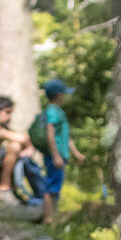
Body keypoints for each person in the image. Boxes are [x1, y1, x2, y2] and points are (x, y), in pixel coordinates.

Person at [38, 78, 86, 223]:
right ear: (59, 95)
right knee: (51, 186)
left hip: (59, 155)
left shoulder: (57, 112)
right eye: (64, 94)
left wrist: (75, 153)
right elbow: (50, 134)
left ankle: (51, 215)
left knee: (55, 186)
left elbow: (66, 136)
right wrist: (55, 155)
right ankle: (48, 218)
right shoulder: (52, 112)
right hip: (55, 155)